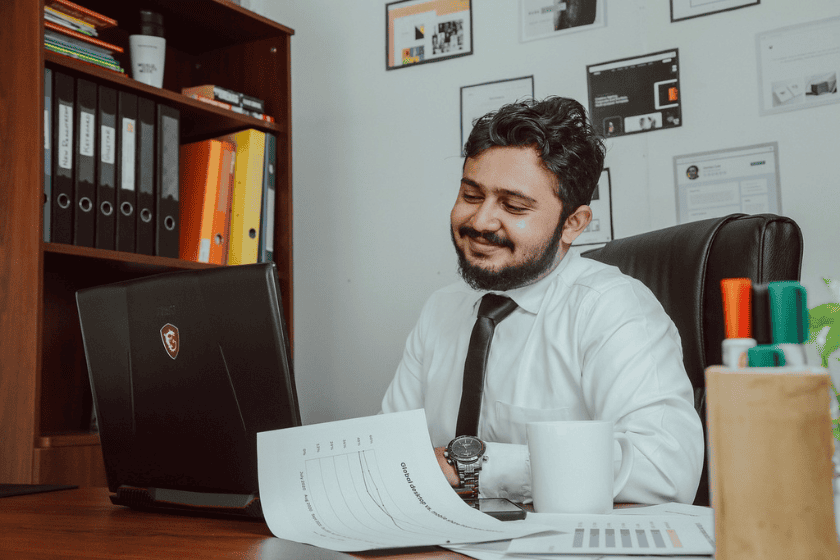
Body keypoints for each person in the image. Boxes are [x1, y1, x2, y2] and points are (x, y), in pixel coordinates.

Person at [379, 96, 704, 505]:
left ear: (573, 224)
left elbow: (666, 470)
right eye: (471, 195)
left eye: (514, 206)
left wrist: (480, 468)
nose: (480, 222)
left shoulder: (615, 309)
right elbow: (388, 450)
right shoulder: (441, 309)